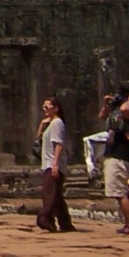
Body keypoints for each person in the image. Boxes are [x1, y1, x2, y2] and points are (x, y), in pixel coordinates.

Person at [101, 85, 129, 237]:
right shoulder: (116, 111)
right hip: (114, 153)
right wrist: (107, 104)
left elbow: (126, 111)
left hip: (120, 155)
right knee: (117, 192)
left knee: (119, 193)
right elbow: (101, 116)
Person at [34, 96, 74, 232]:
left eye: (47, 107)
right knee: (56, 196)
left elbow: (59, 145)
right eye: (43, 107)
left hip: (53, 164)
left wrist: (55, 164)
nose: (44, 110)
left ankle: (44, 218)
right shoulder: (51, 123)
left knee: (50, 195)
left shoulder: (57, 123)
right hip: (48, 163)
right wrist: (41, 125)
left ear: (55, 108)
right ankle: (65, 224)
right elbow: (37, 140)